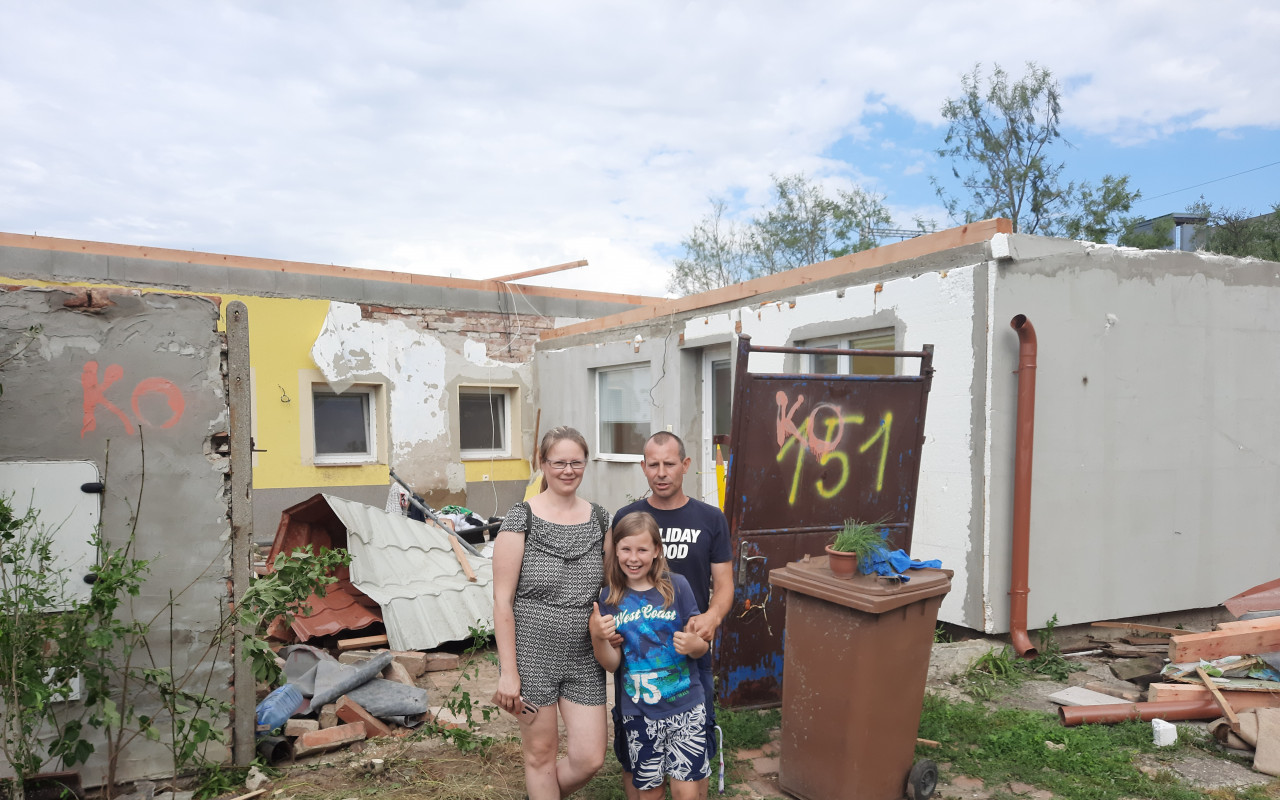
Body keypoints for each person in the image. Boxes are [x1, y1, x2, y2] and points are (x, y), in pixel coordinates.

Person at [610, 431, 733, 799]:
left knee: (696, 748)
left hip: (691, 654)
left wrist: (711, 618)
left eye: (669, 464)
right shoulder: (626, 517)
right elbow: (612, 580)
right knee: (636, 755)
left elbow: (724, 585)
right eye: (653, 464)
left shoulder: (710, 518)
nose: (661, 472)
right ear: (643, 467)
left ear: (686, 465)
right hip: (637, 660)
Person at [492, 426, 608, 799]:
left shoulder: (601, 520)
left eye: (576, 462)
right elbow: (501, 601)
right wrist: (509, 672)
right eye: (559, 462)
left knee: (589, 758)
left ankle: (540, 793)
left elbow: (611, 590)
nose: (568, 470)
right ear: (542, 464)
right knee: (540, 755)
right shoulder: (520, 518)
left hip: (584, 657)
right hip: (532, 656)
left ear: (585, 464)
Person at [590, 511, 711, 800]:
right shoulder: (610, 598)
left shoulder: (677, 586)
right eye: (626, 549)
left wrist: (692, 644)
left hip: (687, 708)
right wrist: (597, 635)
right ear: (615, 550)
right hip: (639, 715)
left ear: (656, 550)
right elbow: (612, 663)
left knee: (686, 792)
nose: (634, 558)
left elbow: (702, 646)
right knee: (650, 793)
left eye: (642, 549)